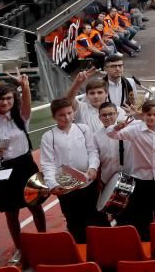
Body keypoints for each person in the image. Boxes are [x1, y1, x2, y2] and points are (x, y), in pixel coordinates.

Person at [0, 75, 44, 265]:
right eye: (1, 99)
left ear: (14, 100)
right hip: (1, 169)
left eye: (9, 99)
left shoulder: (21, 117)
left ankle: (44, 239)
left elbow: (27, 103)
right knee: (10, 212)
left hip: (24, 166)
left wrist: (25, 86)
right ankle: (20, 248)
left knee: (35, 206)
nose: (5, 102)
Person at [106, 99, 155, 240]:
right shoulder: (134, 130)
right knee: (143, 215)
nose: (152, 118)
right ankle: (146, 242)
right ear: (143, 115)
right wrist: (117, 126)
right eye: (148, 114)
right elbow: (111, 134)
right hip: (141, 180)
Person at [40, 98, 101, 242]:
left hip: (87, 183)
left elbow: (93, 151)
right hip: (66, 187)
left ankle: (98, 249)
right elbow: (48, 163)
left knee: (94, 216)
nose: (67, 117)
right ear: (54, 116)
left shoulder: (83, 129)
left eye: (69, 113)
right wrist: (52, 184)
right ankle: (80, 247)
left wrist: (93, 167)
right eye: (62, 115)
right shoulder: (48, 137)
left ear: (74, 112)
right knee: (73, 219)